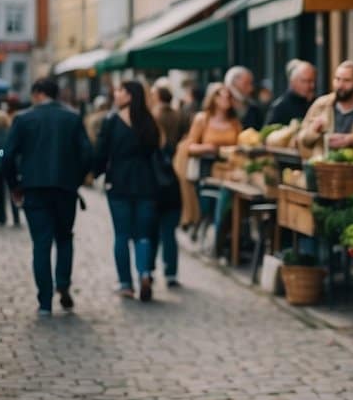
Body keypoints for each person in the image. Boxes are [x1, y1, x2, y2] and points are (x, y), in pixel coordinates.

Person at [2, 77, 93, 316]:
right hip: (65, 188)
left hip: (34, 188)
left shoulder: (23, 119)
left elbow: (7, 156)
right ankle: (62, 283)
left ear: (38, 93)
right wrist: (76, 178)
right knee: (64, 238)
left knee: (41, 244)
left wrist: (15, 184)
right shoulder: (72, 118)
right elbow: (87, 154)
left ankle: (44, 301)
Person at [94, 80, 161, 302]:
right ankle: (144, 272)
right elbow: (154, 149)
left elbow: (101, 153)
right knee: (143, 234)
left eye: (121, 90)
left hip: (119, 182)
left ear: (130, 95)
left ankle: (125, 283)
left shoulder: (112, 121)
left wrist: (94, 173)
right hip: (146, 182)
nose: (116, 93)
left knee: (122, 235)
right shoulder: (148, 121)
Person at [175, 83, 242, 230]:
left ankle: (221, 235)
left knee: (229, 202)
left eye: (228, 96)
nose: (225, 99)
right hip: (207, 170)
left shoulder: (234, 122)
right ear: (213, 98)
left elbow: (240, 144)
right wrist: (208, 148)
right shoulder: (202, 119)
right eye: (221, 96)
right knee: (208, 206)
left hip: (228, 169)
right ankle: (209, 232)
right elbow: (190, 146)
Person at [298, 61, 353, 162]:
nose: (340, 85)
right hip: (323, 170)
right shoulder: (321, 105)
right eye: (337, 79)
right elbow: (301, 141)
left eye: (346, 81)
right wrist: (313, 130)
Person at [149, 87, 183, 288]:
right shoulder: (178, 116)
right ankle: (171, 272)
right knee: (169, 232)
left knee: (153, 230)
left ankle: (150, 269)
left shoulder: (154, 118)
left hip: (155, 181)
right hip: (174, 176)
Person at [0, 110, 21, 226]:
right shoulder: (10, 135)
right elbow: (12, 153)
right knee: (10, 192)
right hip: (7, 167)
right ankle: (14, 217)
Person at [265, 60, 316, 126]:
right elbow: (269, 133)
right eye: (306, 81)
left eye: (313, 81)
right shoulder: (280, 107)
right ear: (292, 81)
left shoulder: (316, 103)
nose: (312, 86)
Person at [225, 65, 263, 130]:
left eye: (250, 83)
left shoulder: (254, 109)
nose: (251, 88)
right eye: (246, 83)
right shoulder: (219, 108)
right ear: (233, 83)